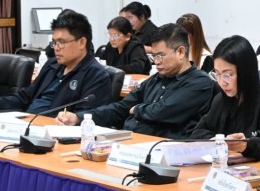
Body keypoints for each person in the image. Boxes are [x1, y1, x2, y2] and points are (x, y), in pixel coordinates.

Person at [57, 23, 212, 138]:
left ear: (181, 52)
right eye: (154, 56)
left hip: (160, 150)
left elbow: (163, 111)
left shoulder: (199, 83)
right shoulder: (156, 79)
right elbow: (120, 108)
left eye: (160, 55)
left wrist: (136, 109)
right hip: (128, 140)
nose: (156, 62)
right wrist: (79, 118)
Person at [0, 9, 109, 115]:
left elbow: (85, 118)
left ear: (82, 42)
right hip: (28, 123)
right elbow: (25, 96)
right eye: (54, 42)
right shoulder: (52, 65)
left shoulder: (96, 75)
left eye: (62, 42)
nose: (56, 48)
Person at [190, 35, 260, 161]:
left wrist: (247, 146)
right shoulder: (221, 100)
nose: (222, 82)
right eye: (217, 74)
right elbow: (198, 132)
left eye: (227, 75)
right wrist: (214, 140)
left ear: (246, 72)